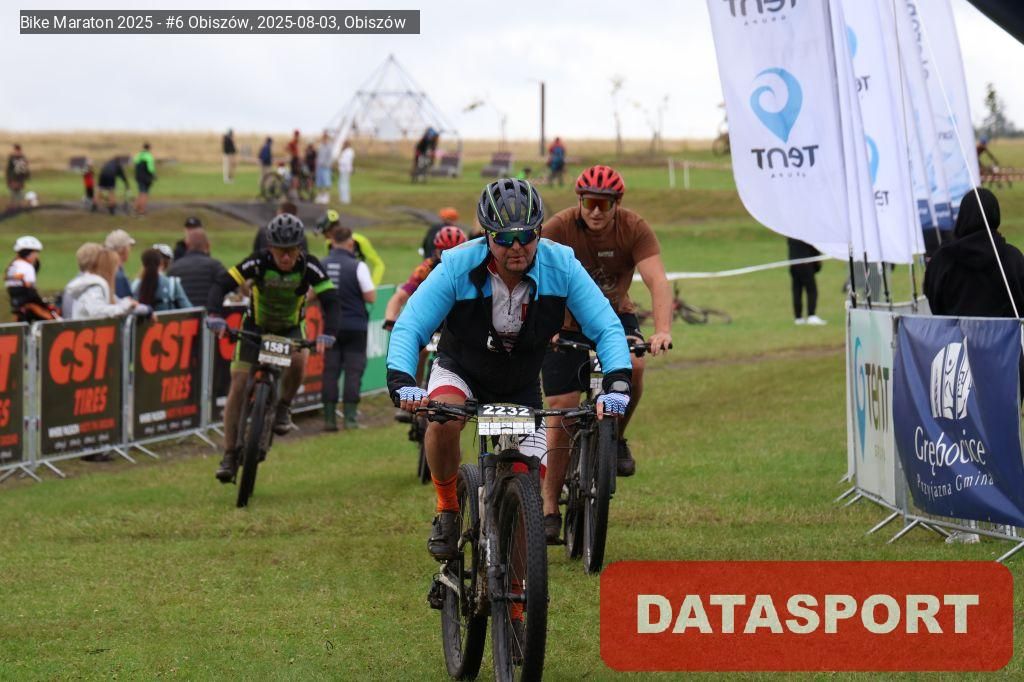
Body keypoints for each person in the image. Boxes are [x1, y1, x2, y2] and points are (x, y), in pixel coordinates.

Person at [387, 178, 632, 562]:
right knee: (443, 420)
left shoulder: (562, 265)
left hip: (519, 383)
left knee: (526, 491)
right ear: (487, 235)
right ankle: (447, 508)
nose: (516, 247)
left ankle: (516, 596)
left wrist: (617, 383)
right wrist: (403, 380)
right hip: (462, 370)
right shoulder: (456, 265)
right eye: (504, 238)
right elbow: (411, 326)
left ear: (539, 231)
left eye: (526, 236)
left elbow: (606, 327)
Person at [541, 165, 672, 531]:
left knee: (636, 365)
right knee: (563, 411)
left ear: (618, 204)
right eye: (589, 203)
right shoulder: (559, 227)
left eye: (604, 204)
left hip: (613, 319)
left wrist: (662, 330)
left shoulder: (634, 228)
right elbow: (533, 273)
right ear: (579, 201)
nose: (596, 211)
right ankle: (549, 506)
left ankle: (615, 438)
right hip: (564, 324)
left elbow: (657, 280)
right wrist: (543, 325)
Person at [205, 214, 340, 483]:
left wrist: (328, 334)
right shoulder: (258, 261)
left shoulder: (309, 266)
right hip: (255, 326)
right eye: (280, 250)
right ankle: (229, 454)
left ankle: (283, 406)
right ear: (270, 248)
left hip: (290, 328)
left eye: (291, 250)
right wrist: (215, 315)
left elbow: (331, 301)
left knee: (300, 360)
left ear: (299, 249)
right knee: (238, 385)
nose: (286, 257)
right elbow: (221, 284)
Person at [924, 188, 1024, 317]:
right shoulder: (1013, 259)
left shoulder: (941, 260)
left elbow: (934, 303)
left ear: (962, 216)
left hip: (953, 331)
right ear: (995, 215)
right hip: (1005, 331)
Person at [321, 225, 376, 431]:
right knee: (353, 372)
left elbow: (311, 295)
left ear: (331, 242)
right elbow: (371, 296)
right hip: (355, 327)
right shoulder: (358, 266)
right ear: (351, 243)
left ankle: (329, 420)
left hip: (330, 328)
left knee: (330, 371)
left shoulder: (321, 264)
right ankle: (350, 420)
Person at [64, 248, 143, 320]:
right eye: (115, 266)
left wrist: (127, 303)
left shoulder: (97, 285)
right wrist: (124, 307)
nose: (117, 270)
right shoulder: (94, 286)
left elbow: (115, 302)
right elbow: (97, 311)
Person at [314, 209, 385, 286]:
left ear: (331, 229)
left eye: (324, 233)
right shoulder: (328, 244)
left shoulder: (359, 241)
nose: (324, 237)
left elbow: (379, 265)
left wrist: (372, 286)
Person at [167, 228, 228, 308]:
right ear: (208, 245)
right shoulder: (215, 266)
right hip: (209, 313)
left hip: (184, 315)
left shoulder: (174, 268)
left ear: (186, 245)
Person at [6, 236, 58, 322]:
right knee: (53, 320)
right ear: (28, 253)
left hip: (17, 307)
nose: (37, 256)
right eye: (36, 252)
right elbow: (30, 293)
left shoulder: (12, 266)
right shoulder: (27, 267)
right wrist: (45, 305)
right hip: (30, 307)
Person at [787, 238, 825, 325]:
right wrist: (817, 263)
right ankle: (811, 315)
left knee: (797, 290)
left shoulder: (791, 234)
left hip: (793, 264)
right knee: (811, 290)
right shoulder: (805, 233)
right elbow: (813, 248)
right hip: (806, 264)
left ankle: (798, 317)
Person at [104, 229, 136, 299]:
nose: (130, 250)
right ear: (124, 249)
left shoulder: (103, 268)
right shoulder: (118, 275)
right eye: (129, 246)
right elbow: (123, 301)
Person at [133, 143, 156, 215]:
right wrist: (153, 175)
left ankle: (136, 207)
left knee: (140, 192)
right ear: (149, 148)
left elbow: (135, 163)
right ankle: (142, 210)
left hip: (139, 176)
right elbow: (150, 169)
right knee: (145, 193)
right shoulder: (149, 156)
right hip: (146, 177)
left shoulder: (139, 155)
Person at [5, 144, 30, 211]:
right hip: (13, 177)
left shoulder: (22, 158)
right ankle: (13, 205)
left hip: (19, 178)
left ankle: (20, 205)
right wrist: (8, 178)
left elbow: (25, 168)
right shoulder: (13, 158)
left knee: (19, 191)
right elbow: (9, 169)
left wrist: (26, 176)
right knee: (13, 191)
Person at [315, 132, 333, 205]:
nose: (324, 139)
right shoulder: (321, 146)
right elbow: (318, 156)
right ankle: (320, 195)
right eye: (323, 138)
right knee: (320, 182)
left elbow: (330, 157)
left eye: (325, 138)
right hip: (319, 167)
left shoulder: (329, 146)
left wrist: (326, 164)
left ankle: (326, 196)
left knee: (326, 181)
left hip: (326, 167)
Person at [337, 140, 355, 205]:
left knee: (343, 185)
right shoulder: (346, 151)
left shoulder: (349, 152)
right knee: (343, 184)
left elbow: (345, 161)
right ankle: (343, 199)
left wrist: (339, 161)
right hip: (344, 170)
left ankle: (345, 199)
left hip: (345, 170)